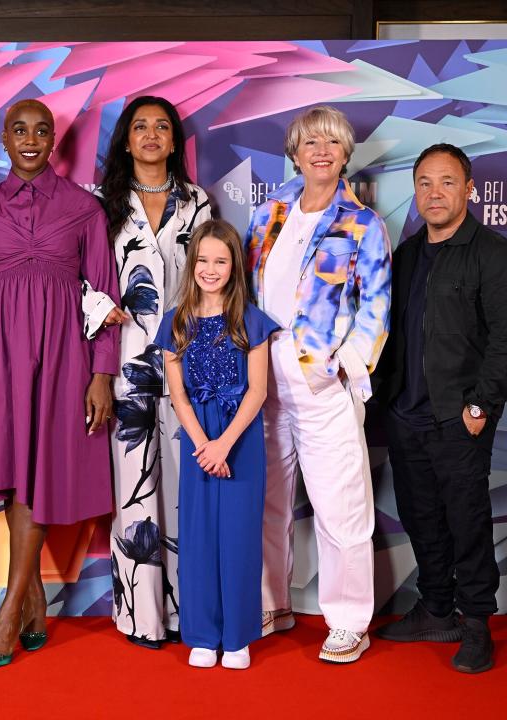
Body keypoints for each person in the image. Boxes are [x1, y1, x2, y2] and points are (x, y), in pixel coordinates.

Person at [0, 99, 120, 671]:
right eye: (19, 130)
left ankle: (8, 612)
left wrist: (102, 374)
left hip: (62, 362)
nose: (30, 139)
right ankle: (32, 602)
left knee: (38, 477)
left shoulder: (84, 212)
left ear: (55, 140)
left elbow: (105, 301)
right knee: (12, 474)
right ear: (3, 139)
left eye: (41, 130)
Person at [245, 105, 391, 663]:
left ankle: (349, 621)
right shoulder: (268, 214)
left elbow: (375, 311)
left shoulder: (363, 223)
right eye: (311, 142)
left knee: (341, 509)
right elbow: (249, 295)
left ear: (345, 153)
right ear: (296, 152)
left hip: (322, 384)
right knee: (268, 505)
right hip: (265, 381)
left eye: (332, 142)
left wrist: (340, 368)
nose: (321, 151)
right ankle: (272, 604)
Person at [374, 143, 506, 673]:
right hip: (406, 416)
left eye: (447, 182)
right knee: (421, 517)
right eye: (425, 182)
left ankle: (476, 624)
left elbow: (504, 339)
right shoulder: (405, 255)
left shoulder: (492, 254)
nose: (434, 193)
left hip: (459, 418)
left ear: (469, 190)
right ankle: (434, 608)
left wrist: (479, 405)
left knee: (467, 522)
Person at [93, 95, 212, 649]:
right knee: (135, 490)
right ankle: (141, 617)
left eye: (161, 127)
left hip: (188, 365)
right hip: (126, 364)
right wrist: (97, 308)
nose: (150, 135)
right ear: (125, 139)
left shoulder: (198, 202)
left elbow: (215, 277)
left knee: (187, 488)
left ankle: (190, 611)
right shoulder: (100, 204)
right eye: (139, 126)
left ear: (174, 139)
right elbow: (74, 275)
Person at [155, 219, 277, 669]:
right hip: (197, 443)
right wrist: (204, 444)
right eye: (203, 260)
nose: (210, 269)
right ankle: (203, 634)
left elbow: (259, 391)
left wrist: (224, 444)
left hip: (239, 440)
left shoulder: (251, 320)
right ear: (192, 265)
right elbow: (178, 394)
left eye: (220, 261)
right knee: (199, 537)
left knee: (239, 537)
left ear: (234, 267)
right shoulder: (177, 323)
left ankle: (238, 635)